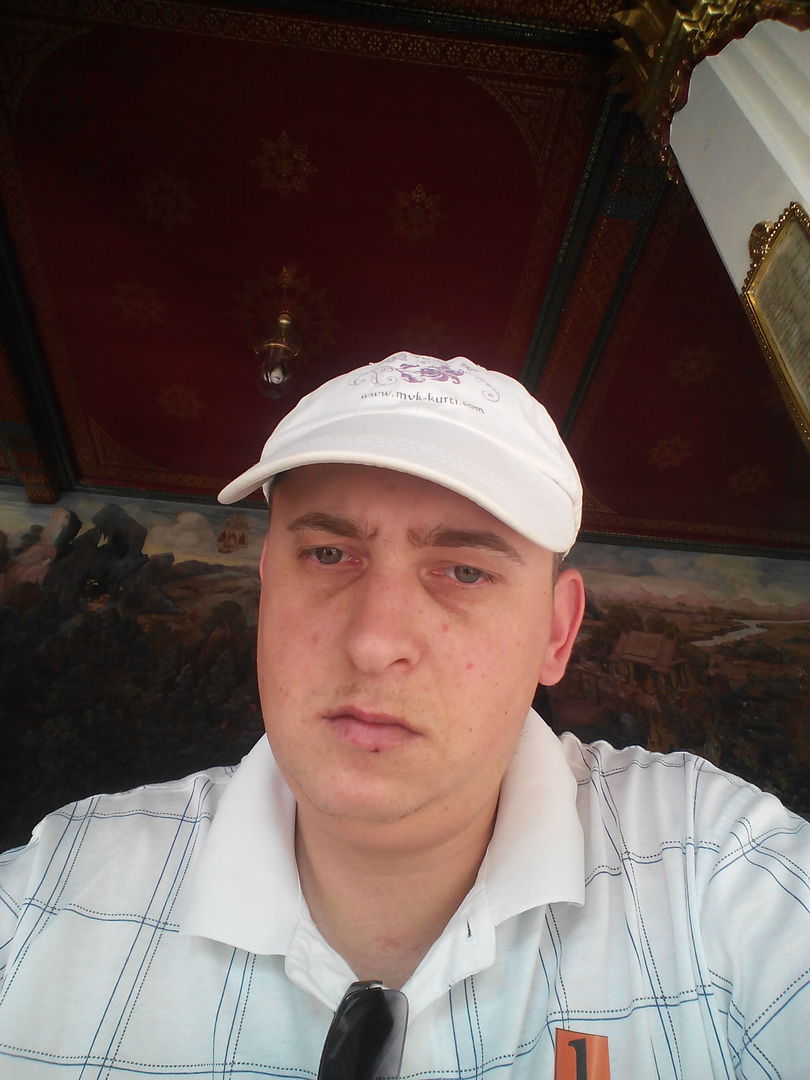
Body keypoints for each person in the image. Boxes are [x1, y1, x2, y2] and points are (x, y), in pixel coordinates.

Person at [0, 351, 808, 1079]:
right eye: (328, 554)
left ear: (556, 634)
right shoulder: (43, 901)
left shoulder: (717, 876)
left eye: (464, 570)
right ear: (268, 582)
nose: (374, 641)